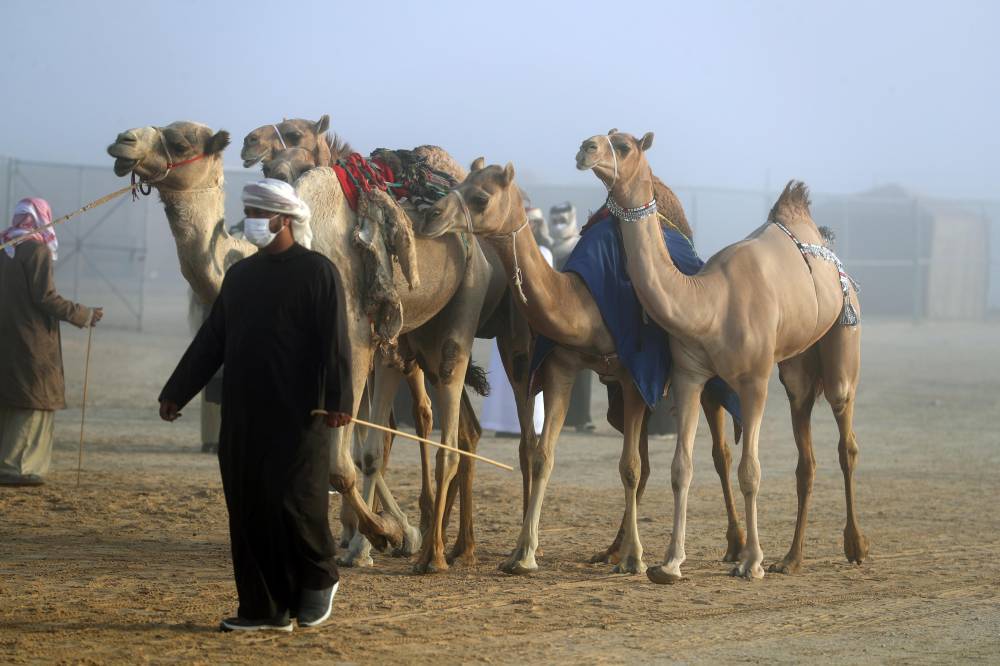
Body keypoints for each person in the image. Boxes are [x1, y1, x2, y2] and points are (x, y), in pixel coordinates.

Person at [158, 179, 352, 632]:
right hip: (243, 412)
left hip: (301, 414)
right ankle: (265, 610)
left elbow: (335, 342)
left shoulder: (318, 272)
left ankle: (319, 580)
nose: (252, 223)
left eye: (259, 214)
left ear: (285, 219)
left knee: (295, 503)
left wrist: (338, 400)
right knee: (248, 509)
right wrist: (176, 391)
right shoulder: (241, 277)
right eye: (248, 212)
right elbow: (213, 340)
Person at [0, 198, 102, 486]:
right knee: (32, 400)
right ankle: (19, 467)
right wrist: (85, 314)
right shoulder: (35, 250)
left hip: (5, 338)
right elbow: (45, 297)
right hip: (30, 340)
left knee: (8, 399)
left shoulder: (5, 248)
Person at [481, 207, 549, 437]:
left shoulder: (543, 253)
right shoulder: (506, 252)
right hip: (506, 322)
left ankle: (532, 427)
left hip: (532, 326)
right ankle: (502, 424)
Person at [548, 202, 595, 433]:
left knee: (581, 367)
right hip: (552, 314)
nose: (558, 226)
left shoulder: (579, 246)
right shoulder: (547, 248)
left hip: (578, 313)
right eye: (554, 221)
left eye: (562, 221)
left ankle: (581, 418)